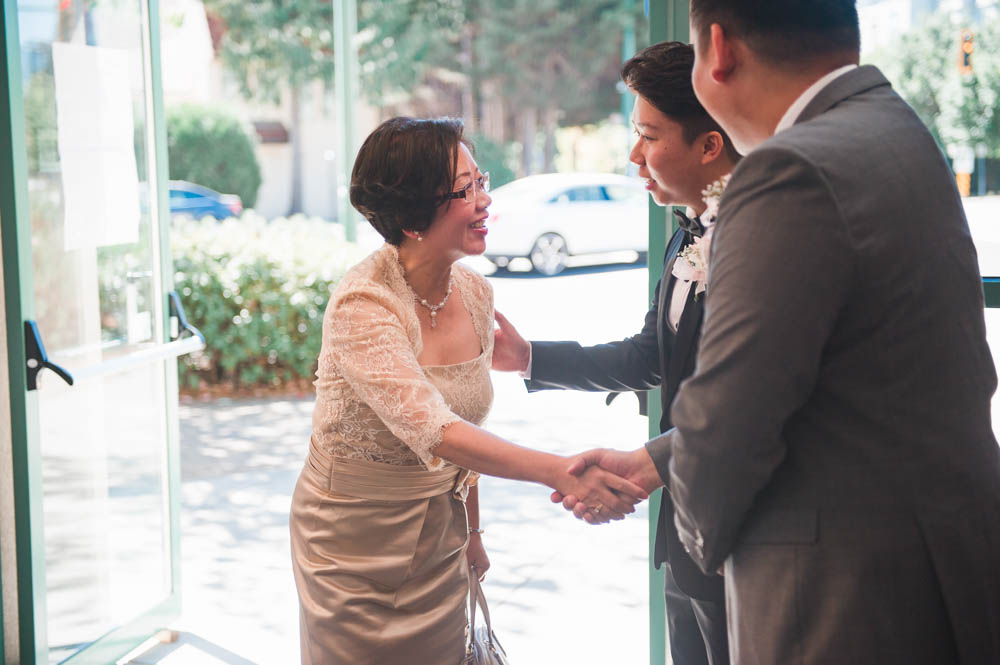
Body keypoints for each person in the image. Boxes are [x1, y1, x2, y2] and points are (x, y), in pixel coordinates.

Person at [562, 2, 1000, 664]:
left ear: (718, 50)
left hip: (838, 596)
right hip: (936, 563)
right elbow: (835, 386)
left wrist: (702, 541)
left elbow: (730, 420)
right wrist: (655, 461)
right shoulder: (897, 129)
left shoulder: (788, 170)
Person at [288, 116, 646, 665]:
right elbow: (435, 429)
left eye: (481, 181)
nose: (485, 201)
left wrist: (473, 531)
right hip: (352, 545)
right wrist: (559, 470)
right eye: (464, 189)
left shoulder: (476, 293)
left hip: (441, 532)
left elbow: (465, 426)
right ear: (413, 215)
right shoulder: (364, 304)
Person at [491, 41, 738, 665]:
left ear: (709, 145)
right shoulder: (686, 237)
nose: (634, 156)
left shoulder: (759, 244)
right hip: (682, 532)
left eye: (649, 136)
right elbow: (650, 356)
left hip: (744, 535)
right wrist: (529, 358)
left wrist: (646, 464)